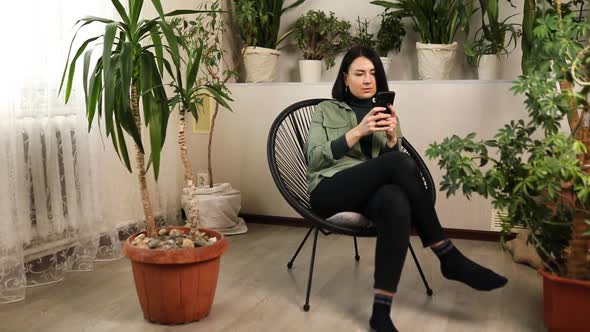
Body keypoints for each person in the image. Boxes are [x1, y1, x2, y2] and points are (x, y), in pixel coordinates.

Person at [305, 46, 508, 332]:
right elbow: (313, 158)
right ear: (345, 77)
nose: (368, 80)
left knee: (396, 200)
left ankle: (381, 312)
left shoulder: (385, 111)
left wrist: (391, 139)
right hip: (330, 189)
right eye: (360, 73)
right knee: (400, 162)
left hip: (368, 194)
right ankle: (446, 254)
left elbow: (393, 173)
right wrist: (357, 132)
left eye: (373, 73)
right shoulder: (326, 109)